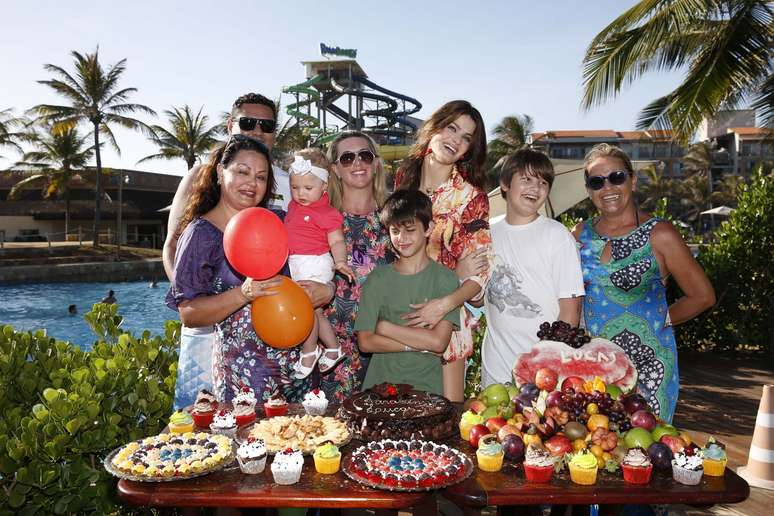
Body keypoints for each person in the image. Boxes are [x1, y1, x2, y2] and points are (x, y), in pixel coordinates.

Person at [162, 93, 298, 410]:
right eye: (242, 172)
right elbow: (190, 310)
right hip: (228, 367)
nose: (251, 183)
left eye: (261, 177)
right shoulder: (201, 232)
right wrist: (237, 294)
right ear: (221, 172)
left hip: (284, 366)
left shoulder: (275, 220)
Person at [573, 143, 715, 422]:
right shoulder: (579, 234)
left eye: (616, 177)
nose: (608, 187)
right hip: (595, 368)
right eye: (597, 182)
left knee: (645, 455)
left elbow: (703, 296)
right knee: (596, 453)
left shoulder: (659, 234)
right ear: (589, 191)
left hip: (649, 369)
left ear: (632, 180)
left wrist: (661, 320)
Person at [394, 100, 491, 402]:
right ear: (434, 127)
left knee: (447, 418)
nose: (456, 140)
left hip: (445, 322)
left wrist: (443, 302)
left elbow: (480, 275)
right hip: (400, 316)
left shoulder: (470, 198)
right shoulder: (402, 181)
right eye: (452, 128)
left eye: (466, 138)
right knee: (401, 418)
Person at [481, 149, 585, 386]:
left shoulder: (557, 236)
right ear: (505, 184)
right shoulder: (486, 233)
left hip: (542, 374)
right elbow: (478, 298)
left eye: (543, 182)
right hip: (495, 370)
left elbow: (571, 313)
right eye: (526, 179)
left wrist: (547, 366)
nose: (535, 188)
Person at [356, 190, 459, 394]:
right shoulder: (378, 278)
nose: (401, 238)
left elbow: (438, 343)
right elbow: (366, 342)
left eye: (410, 230)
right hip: (379, 388)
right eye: (395, 231)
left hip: (426, 389)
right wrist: (415, 345)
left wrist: (384, 327)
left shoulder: (445, 278)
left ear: (428, 228)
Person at [316, 131, 392, 402]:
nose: (357, 163)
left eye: (365, 155)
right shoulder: (320, 219)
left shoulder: (395, 217)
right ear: (335, 169)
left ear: (376, 163)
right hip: (333, 348)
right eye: (347, 158)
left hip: (385, 345)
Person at [284, 149, 354, 379]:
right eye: (295, 187)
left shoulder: (327, 212)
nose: (300, 193)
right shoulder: (294, 206)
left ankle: (309, 351)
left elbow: (336, 240)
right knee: (316, 312)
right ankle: (333, 349)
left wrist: (341, 261)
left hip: (315, 262)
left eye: (307, 188)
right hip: (297, 262)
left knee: (306, 308)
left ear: (324, 185)